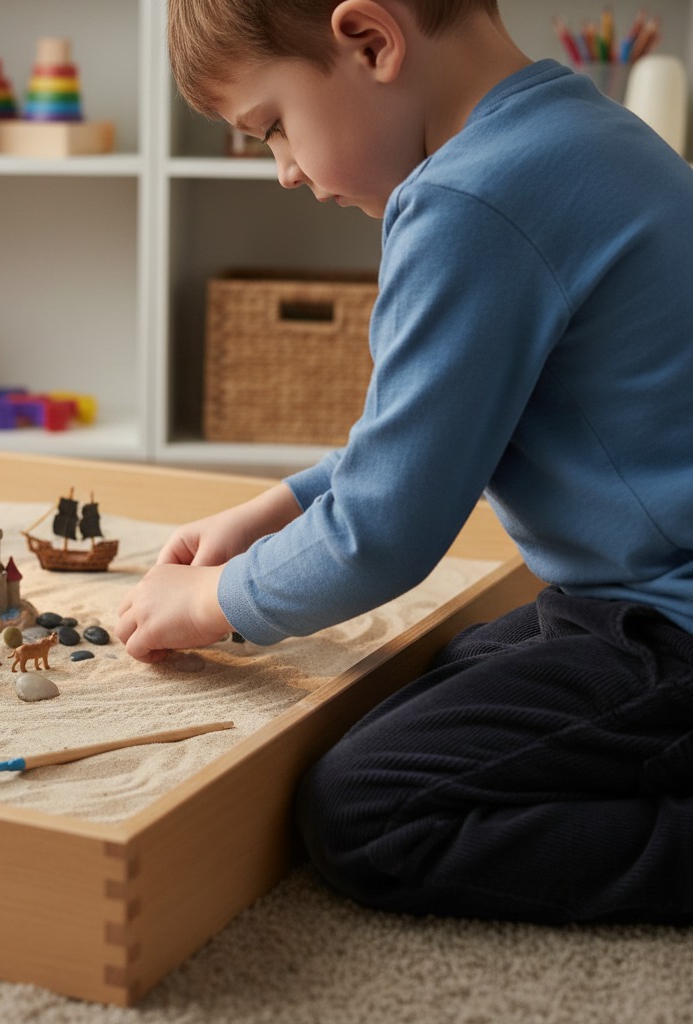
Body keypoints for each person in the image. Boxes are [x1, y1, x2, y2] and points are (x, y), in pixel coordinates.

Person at [115, 0, 693, 923]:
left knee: (365, 806)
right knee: (437, 675)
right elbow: (426, 434)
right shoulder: (585, 129)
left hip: (669, 626)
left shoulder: (467, 200)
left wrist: (213, 602)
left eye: (272, 129)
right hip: (627, 597)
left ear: (371, 43)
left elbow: (384, 535)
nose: (285, 172)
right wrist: (279, 507)